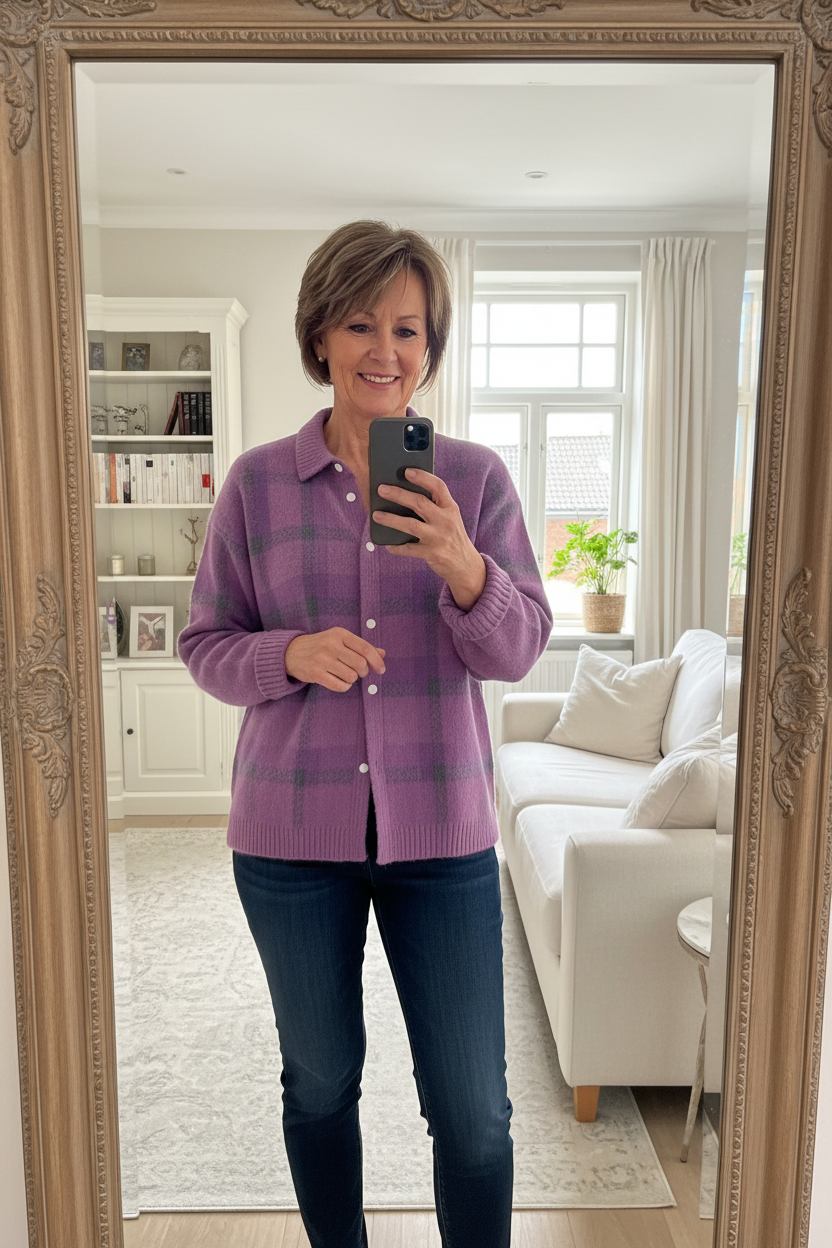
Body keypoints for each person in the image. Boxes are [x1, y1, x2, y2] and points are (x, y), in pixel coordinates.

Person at [178, 220, 553, 1248]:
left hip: (445, 836)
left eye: (408, 329)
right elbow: (204, 645)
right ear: (320, 336)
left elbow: (518, 649)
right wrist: (289, 655)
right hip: (289, 843)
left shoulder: (473, 480)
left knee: (474, 1113)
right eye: (360, 324)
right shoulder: (255, 484)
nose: (385, 351)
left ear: (430, 346)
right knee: (319, 1084)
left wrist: (464, 567)